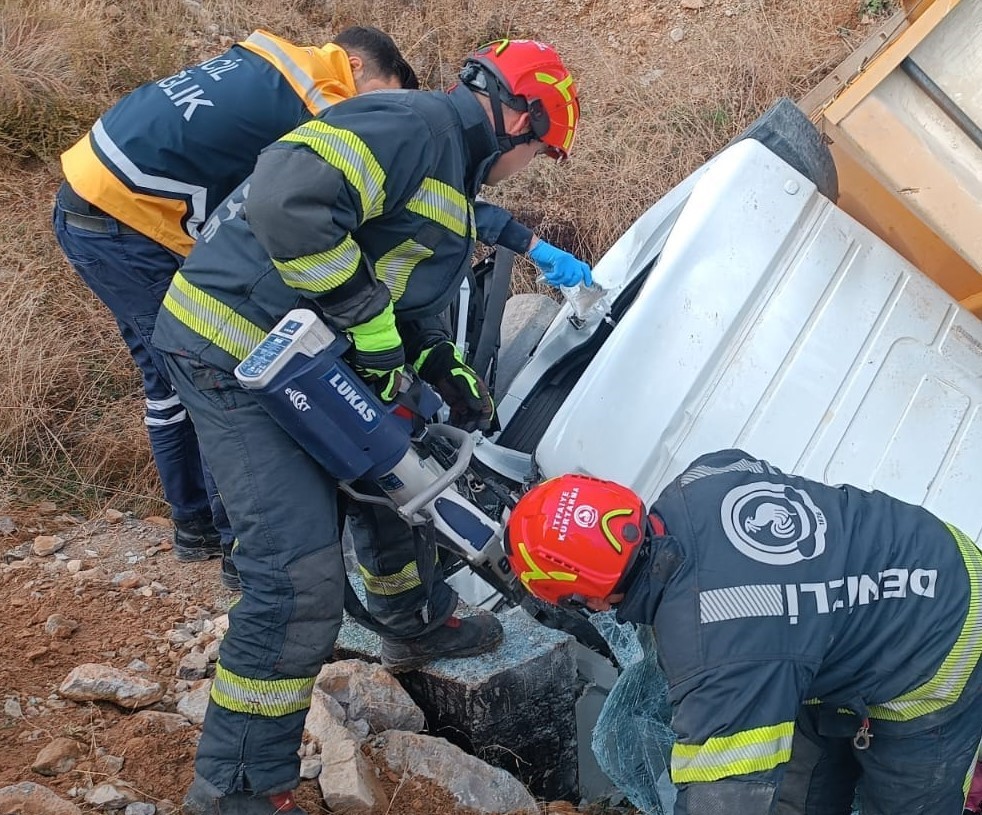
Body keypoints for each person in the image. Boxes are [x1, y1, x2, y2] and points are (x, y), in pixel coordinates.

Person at [151, 38, 588, 814]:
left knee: (399, 467)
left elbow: (397, 294)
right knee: (295, 578)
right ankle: (238, 783)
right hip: (233, 344)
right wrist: (371, 329)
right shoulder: (412, 124)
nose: (530, 167)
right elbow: (290, 200)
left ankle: (410, 623)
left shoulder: (450, 182)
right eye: (540, 151)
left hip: (296, 355)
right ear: (519, 114)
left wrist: (435, 365)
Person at [52, 27, 418, 587]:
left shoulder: (272, 61)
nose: (377, 113)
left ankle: (193, 524)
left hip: (90, 200)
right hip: (124, 222)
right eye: (382, 95)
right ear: (356, 66)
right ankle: (238, 551)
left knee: (166, 377)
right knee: (204, 369)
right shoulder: (323, 98)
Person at [505, 449, 982, 815]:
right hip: (925, 547)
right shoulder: (706, 475)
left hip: (944, 638)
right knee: (803, 786)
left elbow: (725, 798)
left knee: (908, 799)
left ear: (583, 599)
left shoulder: (716, 660)